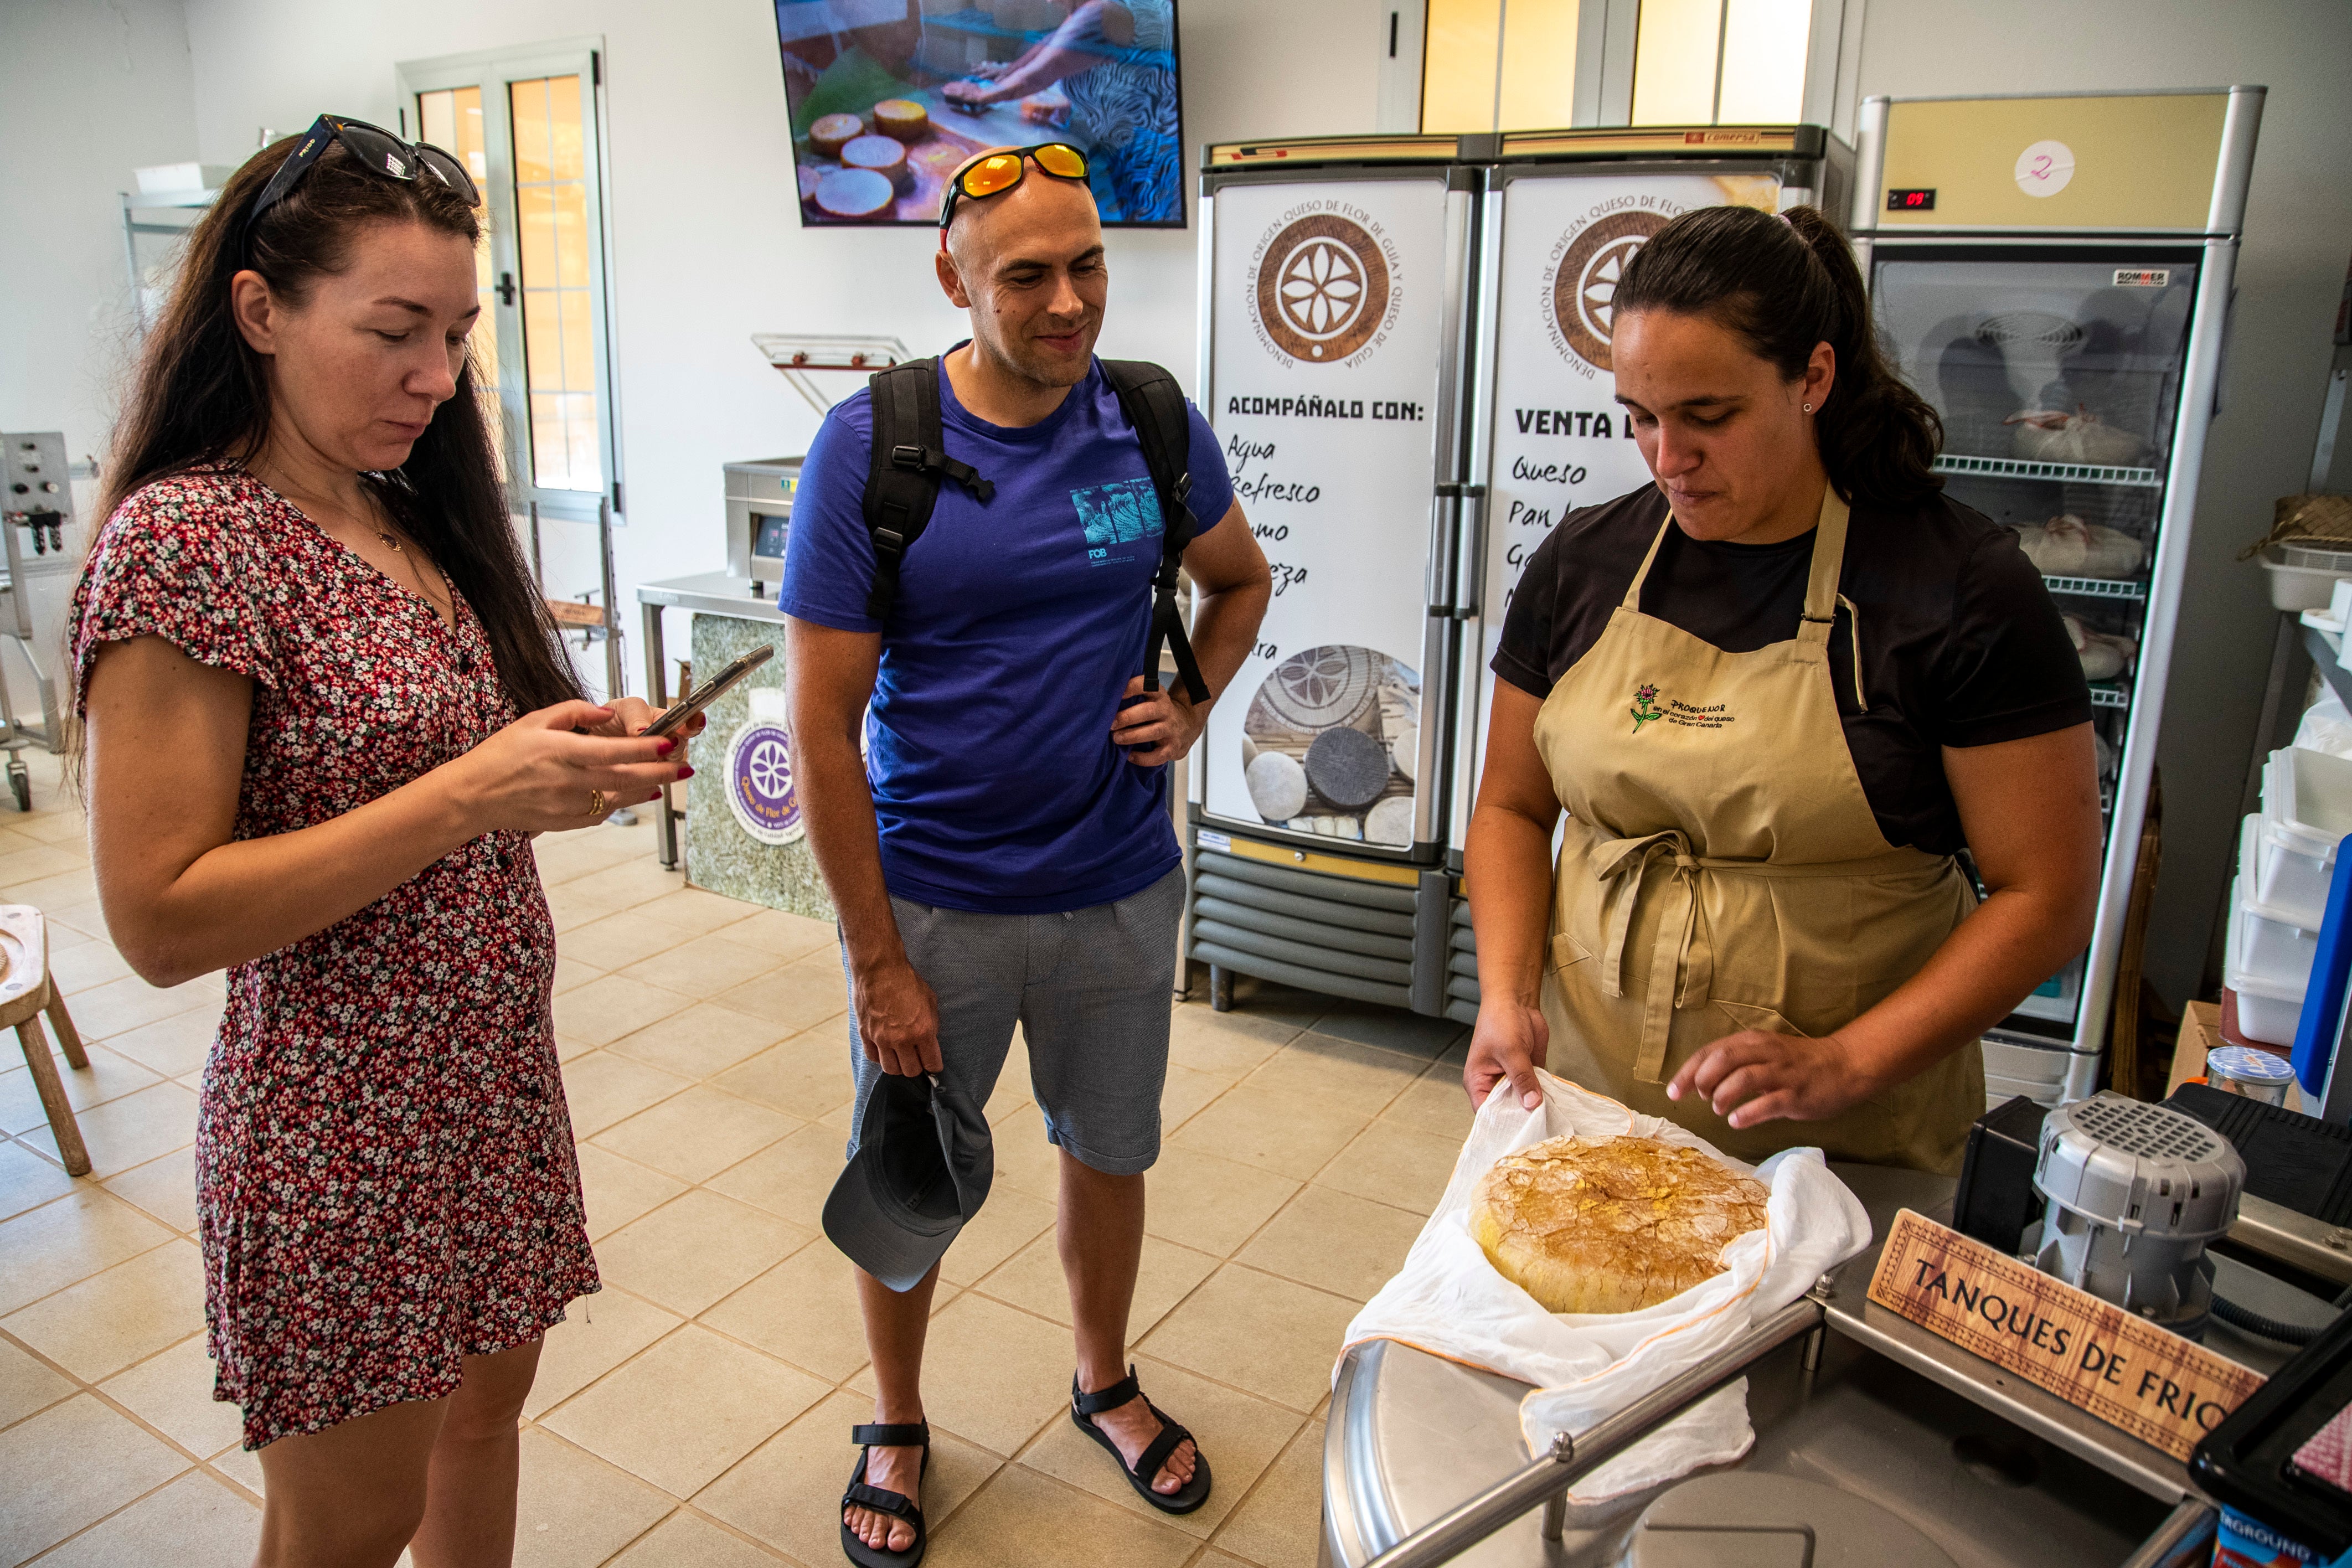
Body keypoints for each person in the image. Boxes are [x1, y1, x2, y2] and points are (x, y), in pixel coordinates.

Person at [73, 118, 685, 1568]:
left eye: (459, 334)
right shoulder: (191, 543)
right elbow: (159, 919)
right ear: (262, 310)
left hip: (488, 1092)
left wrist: (562, 760)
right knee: (350, 1523)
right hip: (341, 1138)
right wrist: (475, 791)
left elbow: (438, 772)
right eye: (394, 331)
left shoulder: (398, 506)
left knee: (483, 1429)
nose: (436, 376)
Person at [781, 145, 1271, 1564]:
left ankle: (1100, 1375)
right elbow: (818, 729)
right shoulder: (873, 447)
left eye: (1088, 265)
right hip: (936, 897)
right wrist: (876, 962)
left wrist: (1190, 702)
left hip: (1119, 883)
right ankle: (892, 1417)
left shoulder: (1149, 419)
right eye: (1027, 276)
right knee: (908, 1167)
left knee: (1108, 1151)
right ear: (951, 277)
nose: (1069, 302)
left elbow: (1235, 580)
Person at [1463, 204, 2103, 1174]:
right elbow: (1511, 805)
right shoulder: (1586, 561)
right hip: (1588, 1112)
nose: (1666, 460)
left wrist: (1847, 1061)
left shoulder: (1957, 586)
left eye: (1707, 418)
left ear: (1811, 376)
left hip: (1837, 1147)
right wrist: (1505, 991)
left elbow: (2045, 893)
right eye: (1639, 418)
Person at [941, 2, 1183, 223]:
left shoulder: (1100, 12)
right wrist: (1008, 70)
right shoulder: (1091, 9)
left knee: (1147, 238)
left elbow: (1043, 72)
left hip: (1156, 159)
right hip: (1137, 149)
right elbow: (1054, 41)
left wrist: (980, 95)